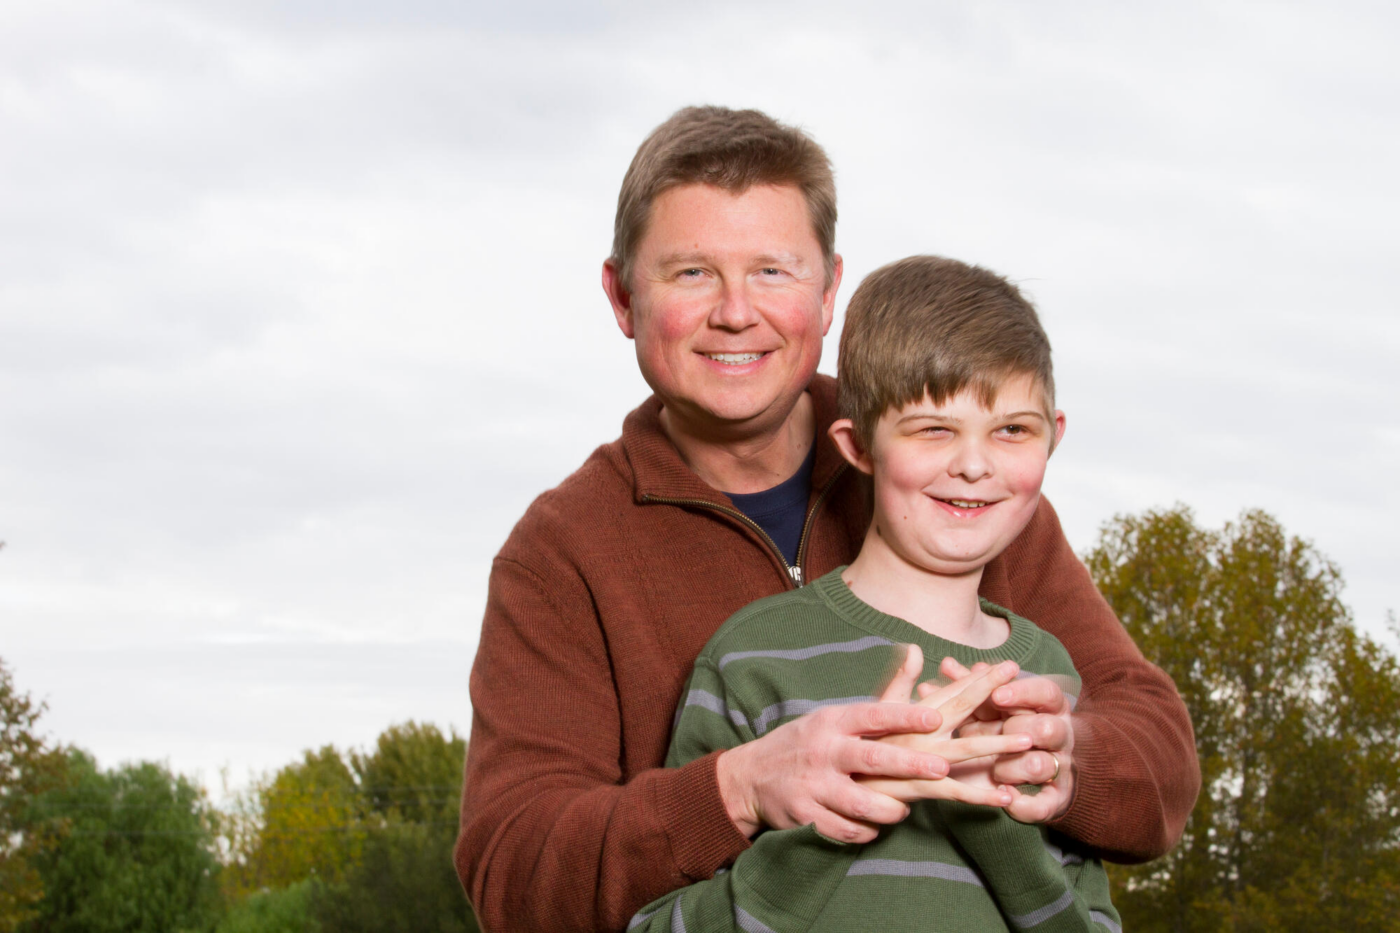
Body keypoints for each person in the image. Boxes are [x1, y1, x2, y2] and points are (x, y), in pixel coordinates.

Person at [455, 106, 1198, 933]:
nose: (737, 311)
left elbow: (1157, 755)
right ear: (623, 295)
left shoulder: (953, 482)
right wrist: (738, 787)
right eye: (692, 272)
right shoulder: (562, 553)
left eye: (773, 271)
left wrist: (1068, 760)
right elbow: (514, 877)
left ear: (830, 289)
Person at [628, 255, 1123, 932]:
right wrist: (838, 822)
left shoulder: (1048, 683)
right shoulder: (753, 655)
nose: (974, 464)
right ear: (858, 445)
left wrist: (995, 818)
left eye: (1012, 429)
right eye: (932, 428)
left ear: (1053, 437)